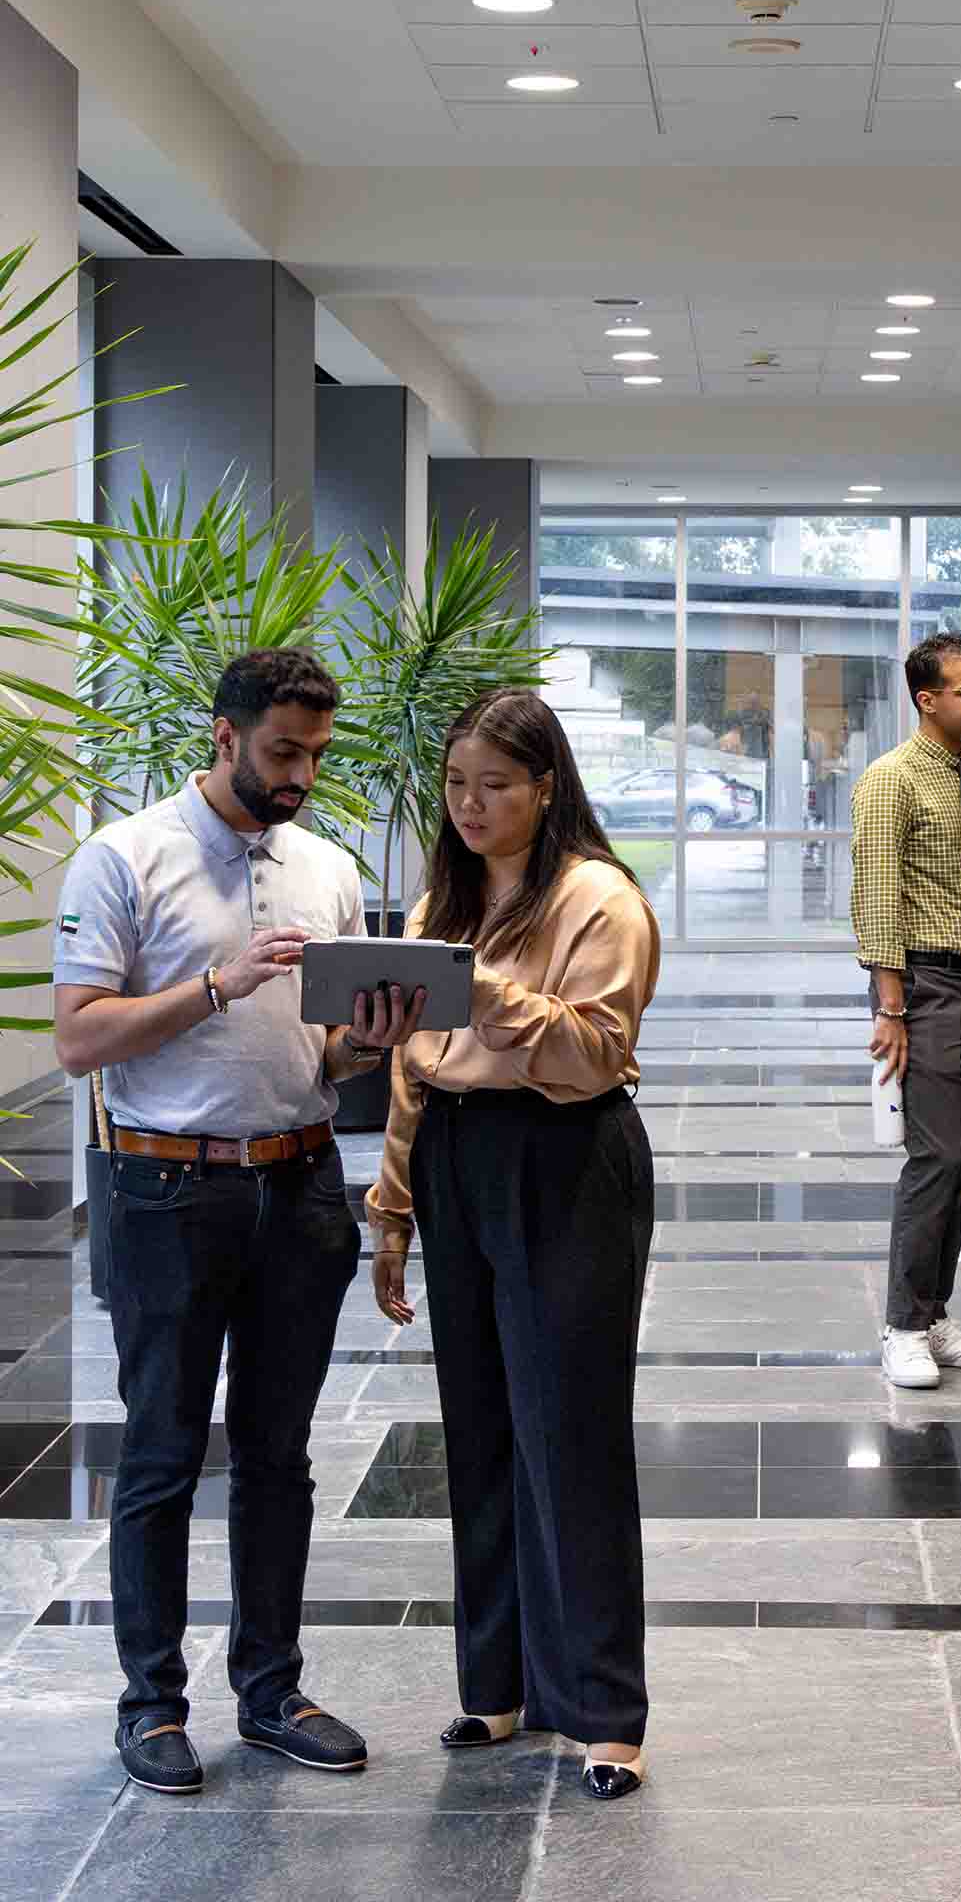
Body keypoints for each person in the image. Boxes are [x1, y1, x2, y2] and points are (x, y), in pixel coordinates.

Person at [52, 649, 425, 1795]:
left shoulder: (324, 867)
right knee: (164, 1454)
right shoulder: (126, 857)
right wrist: (217, 983)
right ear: (224, 735)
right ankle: (152, 1705)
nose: (302, 773)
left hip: (299, 1182)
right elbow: (79, 1040)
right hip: (167, 1191)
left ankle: (270, 1690)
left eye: (316, 752)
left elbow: (322, 1052)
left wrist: (371, 1036)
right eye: (282, 752)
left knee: (279, 1457)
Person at [367, 689, 660, 1800]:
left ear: (546, 785)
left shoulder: (598, 897)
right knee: (480, 1428)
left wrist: (482, 989)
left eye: (496, 784)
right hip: (452, 1154)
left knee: (569, 1430)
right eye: (456, 785)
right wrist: (392, 1207)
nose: (472, 804)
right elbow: (411, 1068)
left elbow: (595, 1053)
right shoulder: (443, 892)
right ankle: (496, 1684)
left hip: (563, 1157)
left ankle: (602, 1709)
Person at [850, 633, 961, 1391]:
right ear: (927, 699)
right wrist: (890, 1006)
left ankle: (934, 1312)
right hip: (928, 988)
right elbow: (878, 897)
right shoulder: (890, 782)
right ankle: (902, 1325)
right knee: (935, 1157)